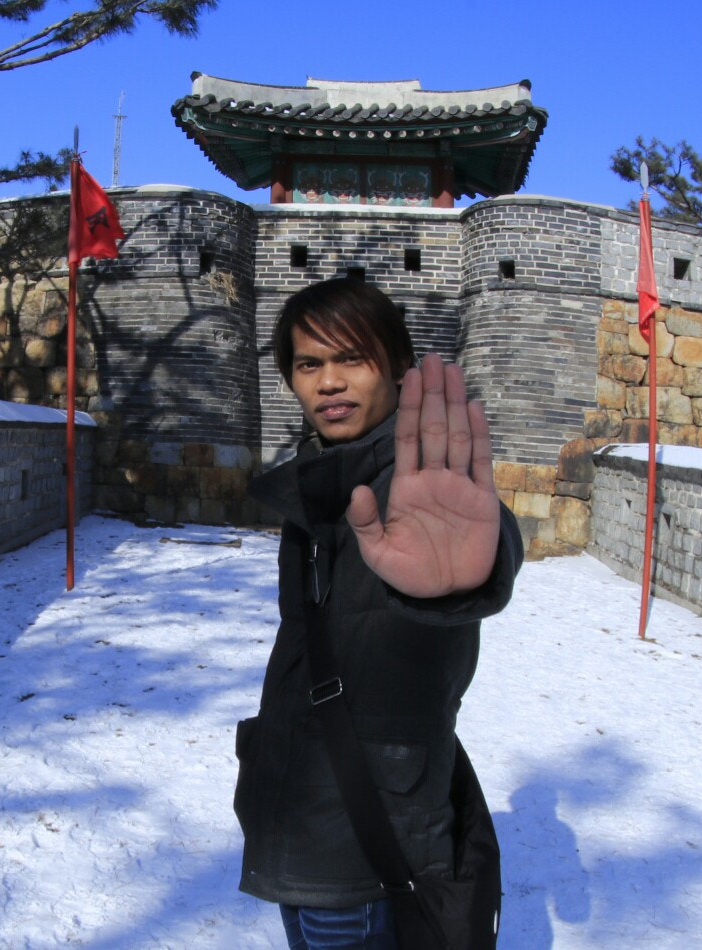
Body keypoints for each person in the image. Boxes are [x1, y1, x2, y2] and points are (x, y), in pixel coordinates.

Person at [237, 277, 524, 949]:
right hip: (299, 813)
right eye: (310, 364)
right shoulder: (320, 482)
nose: (329, 382)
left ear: (396, 367)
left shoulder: (418, 484)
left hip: (364, 834)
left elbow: (478, 547)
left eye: (352, 359)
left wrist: (457, 581)